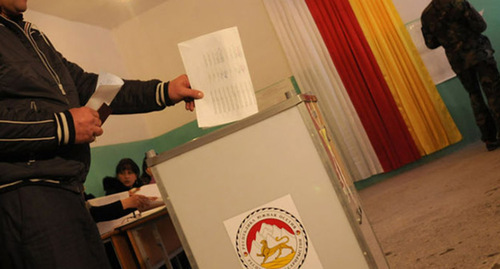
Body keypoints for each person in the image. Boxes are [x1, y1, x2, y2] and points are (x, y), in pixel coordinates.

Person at [0, 0, 203, 268]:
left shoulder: (33, 36)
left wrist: (164, 91)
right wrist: (63, 126)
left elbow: (92, 86)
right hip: (28, 199)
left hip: (71, 195)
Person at [421, 0, 500, 151]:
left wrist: (448, 38)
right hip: (478, 53)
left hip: (458, 61)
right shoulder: (458, 2)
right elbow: (481, 26)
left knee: (474, 95)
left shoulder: (426, 14)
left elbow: (430, 43)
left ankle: (490, 139)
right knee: (494, 92)